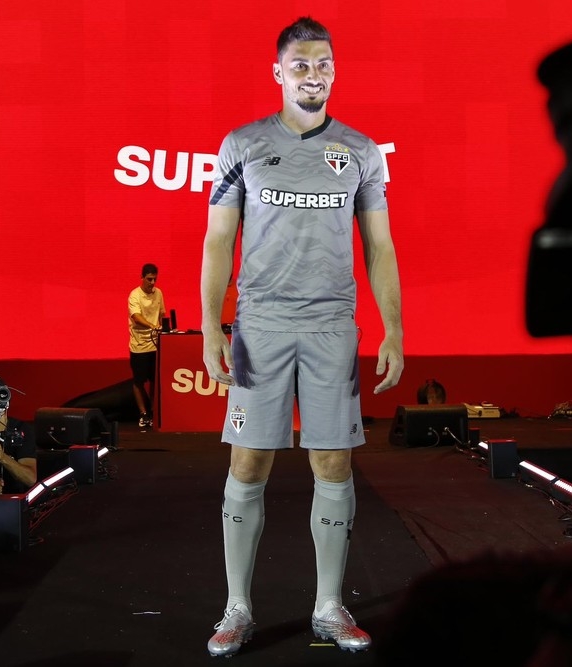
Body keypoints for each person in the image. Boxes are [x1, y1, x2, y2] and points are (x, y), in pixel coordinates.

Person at [200, 16, 404, 657]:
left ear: (334, 71)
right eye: (301, 65)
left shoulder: (361, 151)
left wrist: (394, 328)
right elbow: (218, 240)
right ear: (278, 73)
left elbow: (379, 246)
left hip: (331, 326)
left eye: (323, 64)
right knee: (248, 462)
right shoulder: (242, 144)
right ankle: (236, 609)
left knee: (334, 464)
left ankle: (328, 608)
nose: (313, 75)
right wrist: (209, 324)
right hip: (259, 326)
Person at [128, 262, 166, 428]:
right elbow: (136, 317)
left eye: (154, 279)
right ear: (142, 278)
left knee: (154, 380)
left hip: (155, 345)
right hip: (139, 345)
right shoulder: (134, 295)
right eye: (149, 279)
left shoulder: (159, 293)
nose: (152, 282)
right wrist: (152, 326)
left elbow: (161, 314)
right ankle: (143, 413)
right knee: (139, 381)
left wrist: (163, 328)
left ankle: (152, 411)